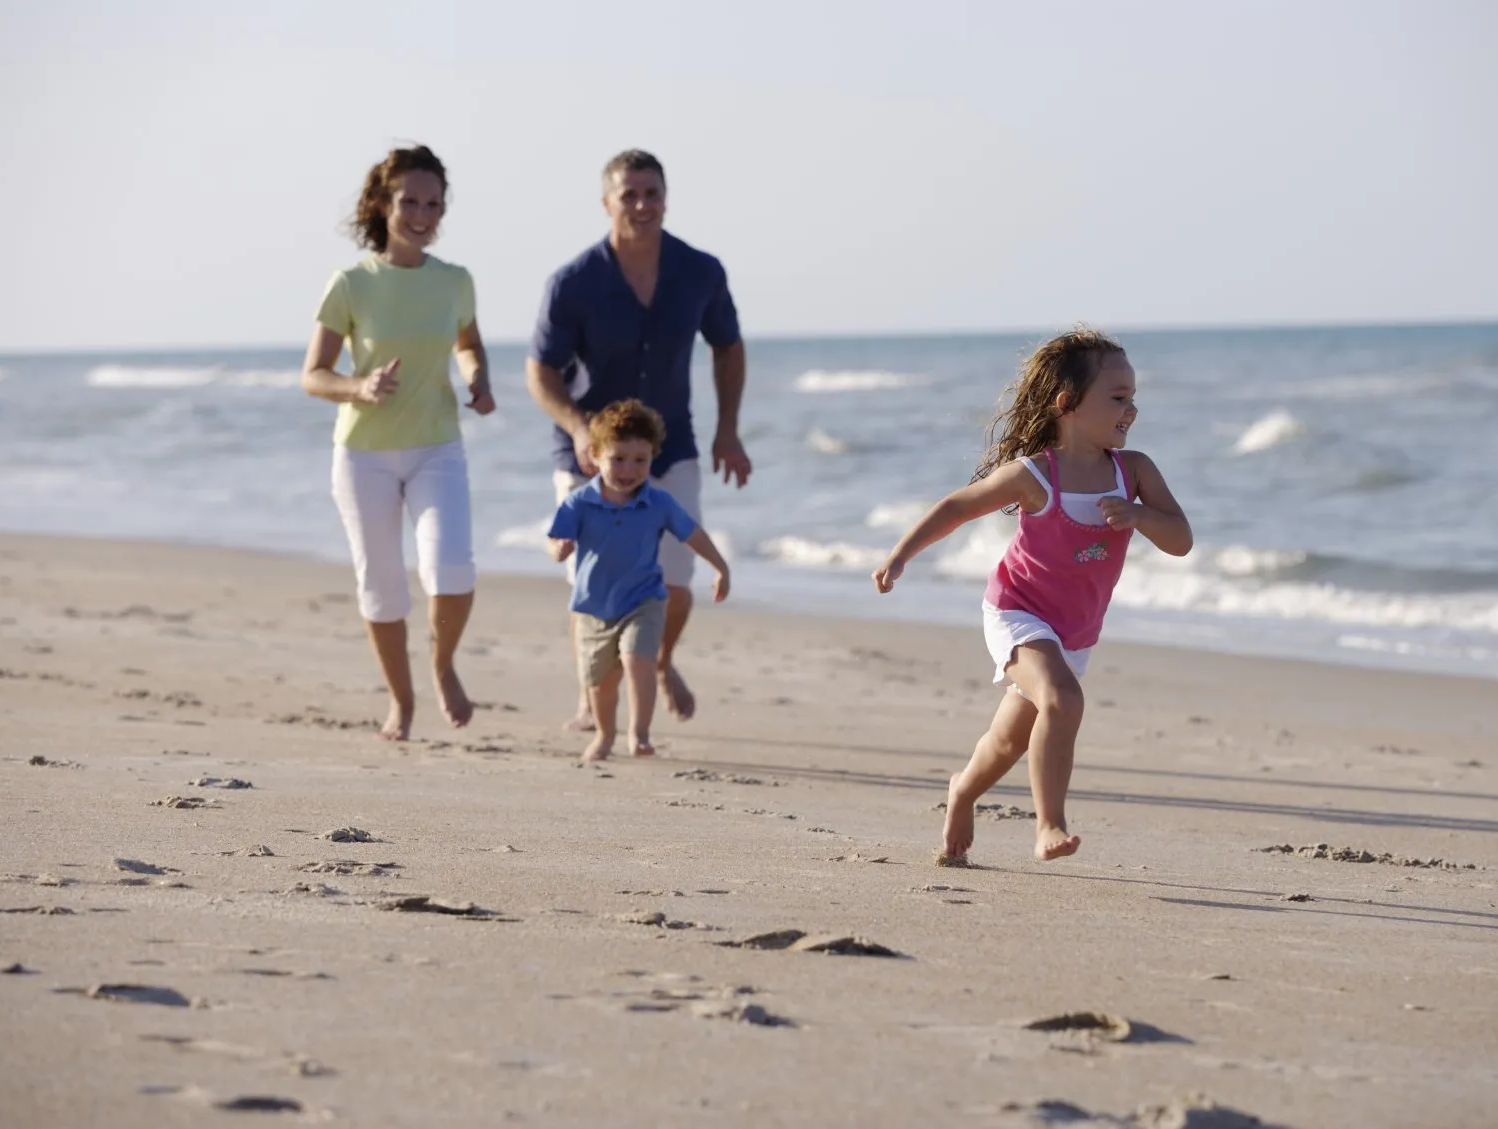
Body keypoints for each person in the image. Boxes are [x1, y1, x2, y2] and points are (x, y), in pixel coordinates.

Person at [872, 328, 1192, 864]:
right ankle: (1049, 824)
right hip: (1018, 611)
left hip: (1077, 629)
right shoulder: (1036, 475)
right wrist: (901, 555)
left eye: (1133, 397)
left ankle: (962, 792)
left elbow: (1181, 541)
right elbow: (958, 506)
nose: (1131, 409)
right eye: (1117, 398)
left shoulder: (1133, 471)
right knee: (1063, 701)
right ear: (1068, 404)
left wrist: (1141, 516)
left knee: (1009, 740)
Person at [525, 149, 750, 732]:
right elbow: (539, 371)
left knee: (676, 584)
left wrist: (729, 430)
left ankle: (656, 659)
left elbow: (728, 345)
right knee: (591, 586)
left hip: (670, 450)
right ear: (607, 203)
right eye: (630, 194)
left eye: (652, 193)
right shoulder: (573, 283)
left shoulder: (700, 271)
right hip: (588, 456)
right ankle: (592, 694)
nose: (642, 204)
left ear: (666, 198)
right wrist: (577, 427)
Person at [300, 145, 494, 742]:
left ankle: (441, 665)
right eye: (410, 200)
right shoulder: (352, 284)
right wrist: (360, 385)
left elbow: (468, 343)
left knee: (452, 569)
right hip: (364, 456)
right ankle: (401, 702)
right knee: (382, 586)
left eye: (433, 203)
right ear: (384, 203)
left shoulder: (455, 281)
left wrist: (476, 377)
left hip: (437, 444)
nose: (421, 213)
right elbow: (314, 374)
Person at [546, 400, 731, 762]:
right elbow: (554, 541)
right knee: (600, 683)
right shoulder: (579, 502)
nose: (629, 469)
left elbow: (692, 534)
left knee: (637, 659)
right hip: (593, 607)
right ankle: (604, 735)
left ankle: (640, 735)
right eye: (618, 459)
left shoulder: (659, 502)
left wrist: (720, 566)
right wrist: (559, 550)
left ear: (653, 457)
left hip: (644, 600)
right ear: (596, 455)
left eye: (640, 460)